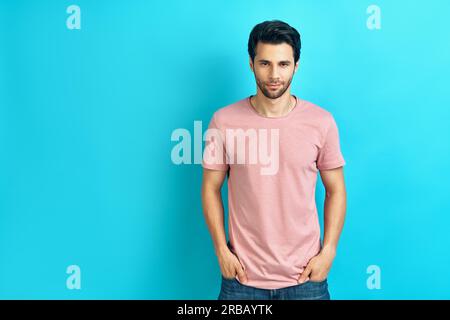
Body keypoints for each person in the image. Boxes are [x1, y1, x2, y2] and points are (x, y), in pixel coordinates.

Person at [201, 20, 347, 300]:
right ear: (251, 64)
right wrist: (221, 249)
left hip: (306, 279)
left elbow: (336, 190)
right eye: (264, 63)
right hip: (241, 281)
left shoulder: (321, 122)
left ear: (296, 65)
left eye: (283, 64)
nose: (274, 74)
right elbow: (210, 188)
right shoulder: (224, 121)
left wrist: (328, 251)